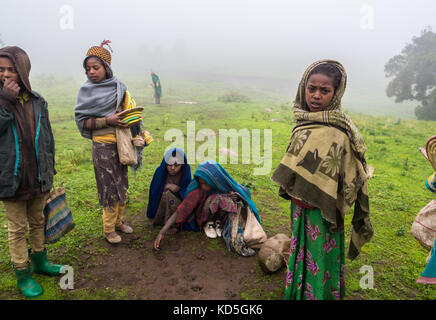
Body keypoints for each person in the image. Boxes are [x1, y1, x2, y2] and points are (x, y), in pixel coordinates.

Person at [271, 60, 374, 300]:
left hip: (324, 210)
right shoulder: (303, 121)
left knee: (320, 256)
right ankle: (298, 292)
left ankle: (321, 295)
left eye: (324, 90)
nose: (316, 95)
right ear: (303, 88)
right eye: (311, 88)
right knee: (300, 250)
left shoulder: (339, 130)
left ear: (336, 92)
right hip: (300, 206)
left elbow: (350, 170)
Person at [0, 46, 63, 298]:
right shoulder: (1, 99)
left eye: (12, 70)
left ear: (23, 71)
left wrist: (50, 167)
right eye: (1, 70)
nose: (5, 75)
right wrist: (5, 101)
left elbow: (47, 138)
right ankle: (22, 273)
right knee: (17, 228)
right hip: (10, 177)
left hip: (37, 175)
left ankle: (40, 261)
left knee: (38, 220)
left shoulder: (37, 100)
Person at [75, 40, 141, 244]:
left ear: (106, 68)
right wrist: (107, 120)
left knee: (122, 183)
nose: (91, 72)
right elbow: (82, 121)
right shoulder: (86, 92)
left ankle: (119, 221)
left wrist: (138, 131)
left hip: (122, 144)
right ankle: (109, 229)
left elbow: (130, 111)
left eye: (96, 67)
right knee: (108, 186)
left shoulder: (119, 88)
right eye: (88, 69)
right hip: (102, 146)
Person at [153, 160, 261, 252]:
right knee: (217, 199)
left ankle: (219, 223)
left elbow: (243, 191)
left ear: (214, 181)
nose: (203, 186)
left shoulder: (221, 183)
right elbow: (181, 210)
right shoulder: (197, 191)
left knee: (226, 199)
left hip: (220, 215)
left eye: (206, 184)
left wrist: (234, 196)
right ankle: (208, 223)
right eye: (201, 183)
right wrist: (162, 232)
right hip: (204, 215)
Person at [147, 148, 192, 234]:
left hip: (177, 206)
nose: (173, 168)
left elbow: (188, 193)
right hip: (161, 204)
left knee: (168, 196)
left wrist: (178, 189)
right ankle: (162, 220)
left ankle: (173, 224)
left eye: (177, 165)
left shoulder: (185, 172)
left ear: (182, 165)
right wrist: (166, 186)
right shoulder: (160, 172)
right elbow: (154, 193)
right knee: (166, 194)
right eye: (169, 165)